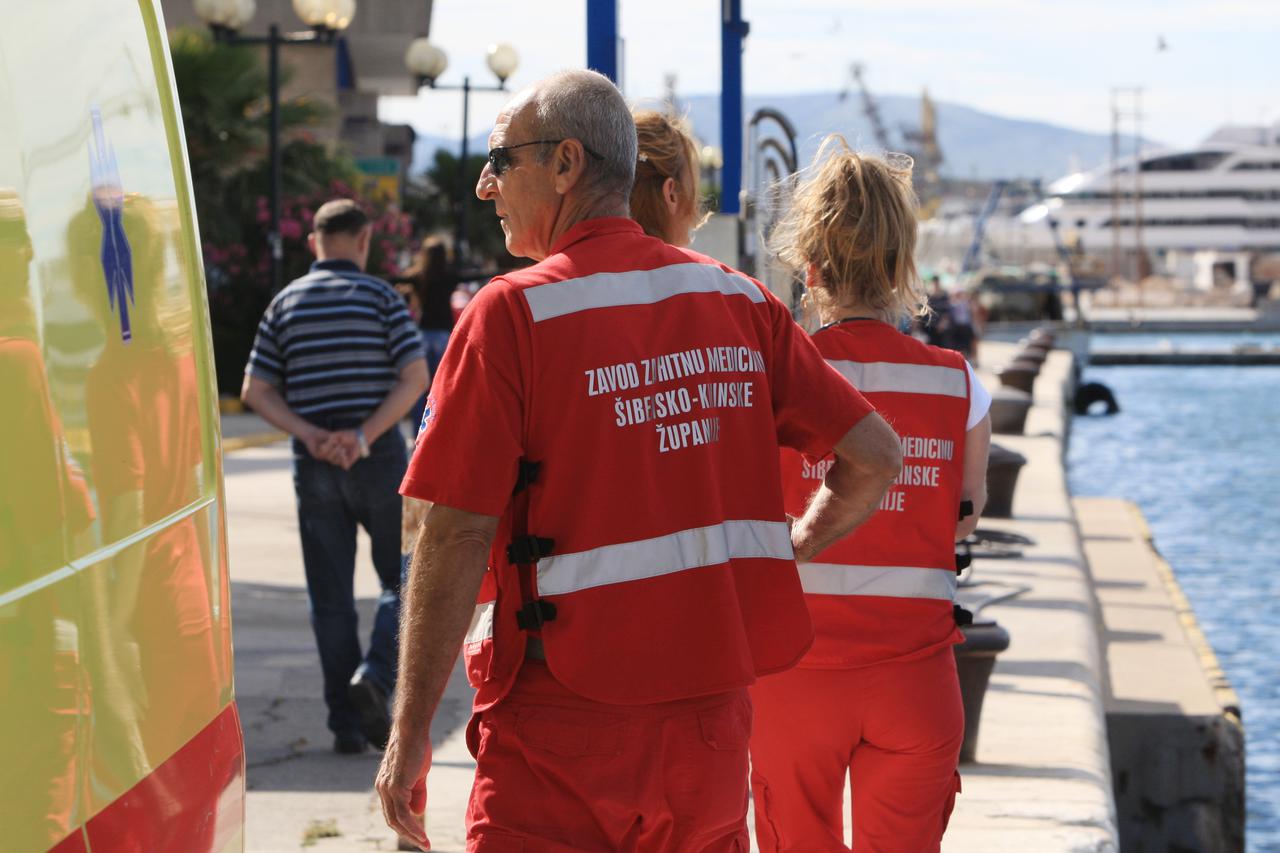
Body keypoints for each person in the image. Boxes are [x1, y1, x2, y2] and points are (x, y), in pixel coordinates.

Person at [375, 70, 903, 852]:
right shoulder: (742, 303)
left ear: (565, 163)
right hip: (711, 728)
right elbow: (876, 456)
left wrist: (410, 731)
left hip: (561, 728)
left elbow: (451, 536)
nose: (487, 184)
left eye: (500, 158)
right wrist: (791, 545)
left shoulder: (512, 314)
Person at [747, 137, 993, 852]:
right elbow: (963, 517)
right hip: (915, 678)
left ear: (811, 265)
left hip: (793, 675)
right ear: (900, 263)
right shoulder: (956, 383)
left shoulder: (771, 376)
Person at [242, 199, 428, 754]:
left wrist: (311, 435)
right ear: (365, 239)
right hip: (381, 462)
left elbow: (255, 390)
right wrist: (363, 436)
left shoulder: (286, 301)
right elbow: (415, 376)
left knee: (330, 600)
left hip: (315, 465)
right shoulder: (380, 298)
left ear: (313, 243)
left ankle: (345, 725)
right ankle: (374, 676)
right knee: (408, 577)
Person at [399, 235, 458, 427]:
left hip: (423, 334)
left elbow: (399, 283)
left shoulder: (417, 276)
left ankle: (420, 430)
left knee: (420, 387)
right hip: (444, 334)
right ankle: (440, 429)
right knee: (442, 388)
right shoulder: (450, 276)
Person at [630, 109, 706, 247]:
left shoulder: (581, 263)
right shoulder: (708, 268)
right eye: (692, 191)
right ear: (671, 193)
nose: (695, 207)